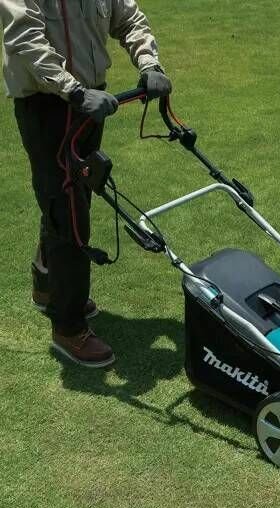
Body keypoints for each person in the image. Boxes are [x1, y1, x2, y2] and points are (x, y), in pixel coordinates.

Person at [0, 0, 172, 368]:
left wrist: (149, 63)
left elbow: (129, 19)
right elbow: (25, 38)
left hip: (94, 102)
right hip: (47, 105)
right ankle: (69, 327)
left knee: (73, 195)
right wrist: (74, 91)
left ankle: (47, 286)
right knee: (69, 210)